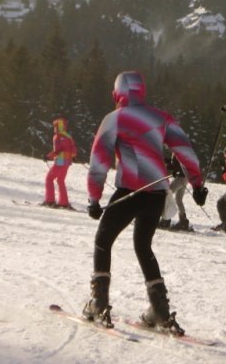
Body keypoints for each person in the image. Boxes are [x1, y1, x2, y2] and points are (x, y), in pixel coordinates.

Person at [82, 71, 207, 334]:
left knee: (103, 241)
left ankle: (99, 302)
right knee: (143, 246)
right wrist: (197, 185)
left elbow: (99, 160)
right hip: (156, 192)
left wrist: (94, 198)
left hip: (129, 191)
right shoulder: (162, 118)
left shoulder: (114, 119)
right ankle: (159, 311)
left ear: (118, 94)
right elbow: (185, 152)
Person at [43, 117, 77, 209]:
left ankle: (49, 200)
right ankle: (63, 202)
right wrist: (72, 157)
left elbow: (57, 151)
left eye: (55, 126)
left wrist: (47, 156)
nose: (54, 128)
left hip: (59, 161)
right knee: (60, 180)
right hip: (67, 162)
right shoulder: (68, 136)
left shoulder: (57, 136)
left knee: (49, 179)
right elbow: (73, 150)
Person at [158, 153, 191, 231]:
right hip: (184, 177)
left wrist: (167, 165)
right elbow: (175, 163)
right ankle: (183, 221)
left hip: (181, 177)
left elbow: (177, 165)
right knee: (178, 199)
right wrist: (166, 160)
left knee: (166, 194)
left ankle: (166, 220)